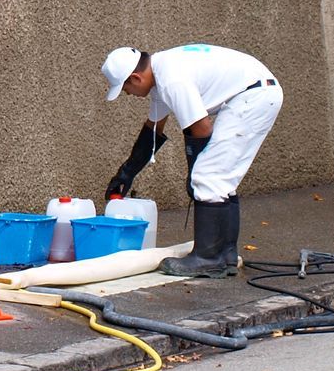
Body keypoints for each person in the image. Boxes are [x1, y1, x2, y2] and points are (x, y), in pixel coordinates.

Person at [101, 44, 283, 278]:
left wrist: (194, 175)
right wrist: (126, 172)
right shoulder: (162, 74)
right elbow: (153, 131)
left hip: (252, 97)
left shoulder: (171, 80)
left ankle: (206, 259)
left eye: (125, 87)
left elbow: (201, 128)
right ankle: (225, 255)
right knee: (220, 180)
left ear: (135, 78)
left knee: (208, 177)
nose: (127, 93)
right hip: (255, 92)